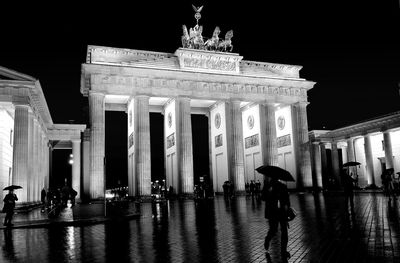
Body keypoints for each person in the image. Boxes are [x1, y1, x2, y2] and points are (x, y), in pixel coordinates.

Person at [262, 178, 291, 262]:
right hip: (272, 212)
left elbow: (287, 199)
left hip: (282, 211)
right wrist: (269, 191)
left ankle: (283, 251)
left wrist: (287, 206)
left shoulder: (283, 186)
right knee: (273, 230)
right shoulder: (267, 186)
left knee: (284, 231)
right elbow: (263, 197)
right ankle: (267, 239)